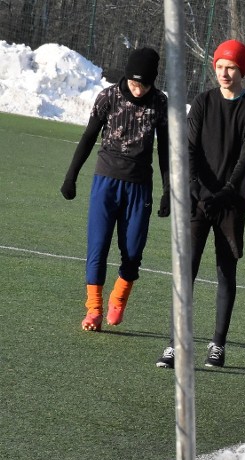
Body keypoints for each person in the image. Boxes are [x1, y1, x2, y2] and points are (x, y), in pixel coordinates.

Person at [156, 39, 245, 368]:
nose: (224, 72)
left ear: (242, 69)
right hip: (198, 200)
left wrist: (226, 191)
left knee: (225, 272)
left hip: (230, 203)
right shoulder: (203, 101)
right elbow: (189, 149)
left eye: (231, 67)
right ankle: (175, 343)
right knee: (186, 271)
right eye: (219, 66)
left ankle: (217, 345)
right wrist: (197, 188)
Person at [60, 47, 170, 332]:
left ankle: (118, 299)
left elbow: (165, 151)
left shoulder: (159, 103)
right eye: (133, 83)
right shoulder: (108, 97)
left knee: (133, 251)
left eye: (143, 84)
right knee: (97, 247)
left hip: (139, 186)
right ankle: (93, 309)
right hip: (105, 182)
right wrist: (71, 176)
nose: (137, 88)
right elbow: (87, 137)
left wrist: (167, 189)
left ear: (152, 81)